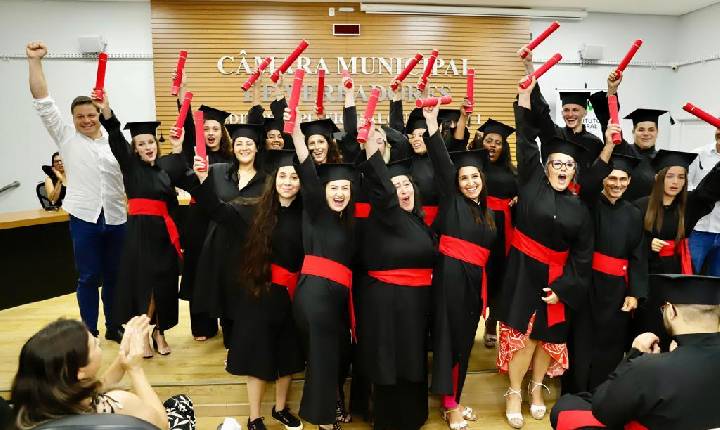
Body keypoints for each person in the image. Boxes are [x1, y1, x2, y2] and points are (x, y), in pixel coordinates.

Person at [497, 77, 593, 429]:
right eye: (556, 164)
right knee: (522, 338)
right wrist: (524, 93)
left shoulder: (580, 209)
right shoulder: (531, 182)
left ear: (574, 171)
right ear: (547, 166)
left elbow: (583, 256)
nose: (563, 169)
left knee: (545, 340)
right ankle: (514, 391)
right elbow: (524, 138)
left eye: (568, 166)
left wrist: (564, 290)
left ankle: (537, 390)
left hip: (557, 282)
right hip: (523, 274)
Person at [192, 149, 305, 430]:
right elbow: (218, 211)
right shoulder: (255, 209)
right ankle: (254, 417)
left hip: (294, 295)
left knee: (288, 355)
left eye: (294, 177)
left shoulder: (308, 215)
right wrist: (204, 179)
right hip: (260, 294)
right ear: (274, 179)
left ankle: (280, 409)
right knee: (258, 355)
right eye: (283, 176)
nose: (288, 182)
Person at [27, 41, 125, 342]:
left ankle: (113, 326)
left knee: (114, 278)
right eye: (80, 116)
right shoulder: (66, 136)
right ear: (73, 119)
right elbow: (43, 100)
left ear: (99, 113)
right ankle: (89, 331)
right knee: (88, 278)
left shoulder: (115, 140)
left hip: (118, 217)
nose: (86, 120)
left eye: (91, 115)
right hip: (84, 217)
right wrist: (34, 62)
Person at [550, 274, 720, 430]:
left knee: (565, 407)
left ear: (671, 311)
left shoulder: (650, 368)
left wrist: (634, 355)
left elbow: (603, 409)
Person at [357, 126, 436, 430]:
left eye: (406, 184)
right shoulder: (387, 213)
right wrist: (372, 149)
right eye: (395, 185)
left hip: (415, 303)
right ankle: (388, 419)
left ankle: (414, 416)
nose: (401, 189)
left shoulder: (419, 221)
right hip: (386, 301)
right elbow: (381, 187)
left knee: (412, 356)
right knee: (388, 358)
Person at [423, 106, 497, 430]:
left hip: (473, 281)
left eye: (474, 177)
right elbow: (441, 160)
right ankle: (449, 404)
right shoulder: (452, 200)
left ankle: (455, 396)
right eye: (464, 177)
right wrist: (430, 121)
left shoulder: (488, 212)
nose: (469, 182)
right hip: (450, 277)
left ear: (483, 179)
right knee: (448, 339)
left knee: (465, 341)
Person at [93, 91, 181, 358]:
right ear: (134, 148)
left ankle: (159, 332)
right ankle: (145, 333)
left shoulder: (165, 171)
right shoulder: (130, 166)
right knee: (145, 284)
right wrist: (106, 111)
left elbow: (173, 206)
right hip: (140, 233)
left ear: (157, 143)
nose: (147, 147)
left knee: (164, 284)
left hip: (163, 235)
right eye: (141, 143)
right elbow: (116, 138)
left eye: (151, 142)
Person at [562, 126, 647, 394]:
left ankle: (601, 394)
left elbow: (638, 255)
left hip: (617, 290)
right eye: (612, 178)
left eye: (623, 180)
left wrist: (635, 292)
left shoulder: (633, 214)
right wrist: (609, 146)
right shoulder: (588, 203)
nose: (617, 185)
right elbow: (587, 183)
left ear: (629, 183)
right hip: (587, 283)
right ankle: (574, 392)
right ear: (603, 179)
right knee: (581, 339)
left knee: (610, 343)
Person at [287, 107, 355, 430]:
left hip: (335, 298)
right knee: (322, 359)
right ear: (322, 192)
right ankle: (324, 421)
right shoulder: (315, 208)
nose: (339, 193)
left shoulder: (347, 220)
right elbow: (306, 167)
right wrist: (298, 136)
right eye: (333, 188)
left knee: (337, 353)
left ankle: (331, 405)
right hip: (315, 295)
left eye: (344, 188)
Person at [9, 315, 195, 430]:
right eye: (94, 345)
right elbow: (161, 425)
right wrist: (135, 370)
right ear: (80, 371)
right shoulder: (117, 403)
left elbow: (98, 385)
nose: (99, 344)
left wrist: (123, 359)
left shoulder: (35, 403)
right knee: (180, 404)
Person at [633, 149, 720, 350]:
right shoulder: (640, 206)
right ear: (658, 178)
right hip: (649, 276)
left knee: (673, 330)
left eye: (681, 177)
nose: (675, 182)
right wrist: (647, 244)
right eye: (670, 176)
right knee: (649, 327)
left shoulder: (688, 206)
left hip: (677, 275)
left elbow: (709, 189)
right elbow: (627, 243)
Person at [174, 73, 234, 341]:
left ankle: (227, 320)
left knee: (222, 269)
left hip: (222, 218)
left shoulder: (231, 156)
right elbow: (185, 120)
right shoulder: (195, 153)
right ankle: (202, 325)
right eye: (206, 128)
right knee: (198, 270)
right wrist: (182, 91)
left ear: (223, 131)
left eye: (215, 129)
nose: (210, 133)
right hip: (199, 219)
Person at [519, 48, 604, 191]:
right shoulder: (554, 134)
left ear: (584, 112)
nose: (570, 114)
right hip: (552, 196)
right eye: (566, 110)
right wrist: (529, 66)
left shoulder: (595, 143)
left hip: (582, 201)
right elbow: (541, 110)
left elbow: (598, 174)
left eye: (575, 110)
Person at [471, 118, 519, 349]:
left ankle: (492, 321)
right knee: (480, 272)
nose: (492, 145)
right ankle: (472, 320)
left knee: (501, 275)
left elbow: (522, 195)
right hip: (480, 224)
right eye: (488, 140)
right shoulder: (476, 170)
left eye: (497, 142)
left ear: (504, 147)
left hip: (504, 231)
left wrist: (519, 199)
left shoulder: (513, 171)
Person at [589, 72, 669, 202]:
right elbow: (610, 121)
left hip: (651, 217)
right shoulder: (625, 151)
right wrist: (612, 90)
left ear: (657, 132)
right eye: (641, 129)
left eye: (651, 130)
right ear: (633, 131)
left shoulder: (663, 159)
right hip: (626, 215)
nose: (646, 133)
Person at [687, 127, 720, 275]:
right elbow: (685, 185)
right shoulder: (699, 154)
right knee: (688, 277)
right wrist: (705, 194)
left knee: (716, 285)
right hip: (698, 230)